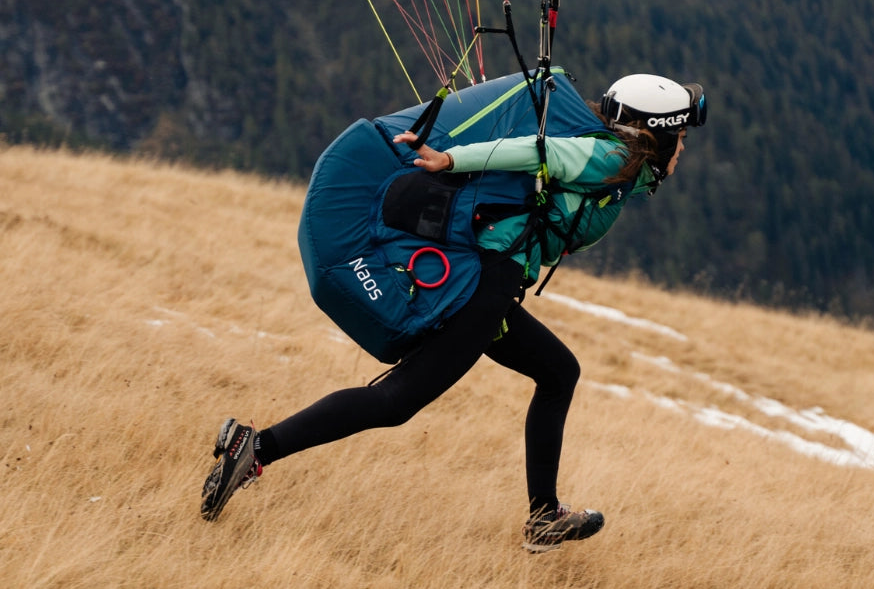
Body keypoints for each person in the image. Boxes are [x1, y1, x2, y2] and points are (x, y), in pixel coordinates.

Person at [199, 74, 707, 551]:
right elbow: (538, 151)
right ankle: (255, 447)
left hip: (494, 283)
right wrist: (450, 160)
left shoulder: (621, 171)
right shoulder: (606, 155)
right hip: (485, 285)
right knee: (397, 401)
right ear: (656, 136)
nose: (683, 147)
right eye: (680, 135)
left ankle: (544, 516)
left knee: (558, 372)